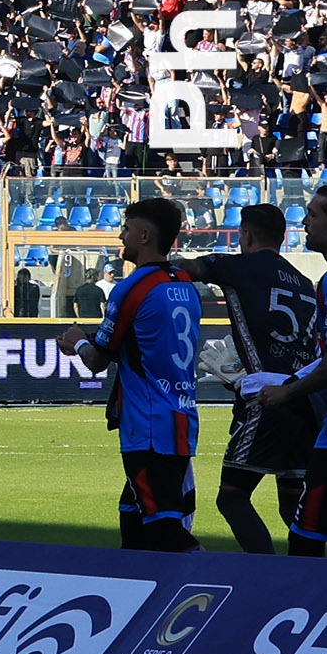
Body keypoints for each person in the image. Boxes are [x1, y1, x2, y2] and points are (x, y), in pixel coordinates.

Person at [177, 201, 321, 555]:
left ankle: (264, 573)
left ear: (246, 235)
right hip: (305, 397)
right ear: (282, 237)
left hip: (269, 397)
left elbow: (187, 268)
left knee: (232, 496)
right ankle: (307, 577)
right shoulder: (306, 283)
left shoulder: (238, 266)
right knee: (293, 503)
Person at [77, 193, 202, 552]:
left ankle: (221, 581)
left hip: (148, 426)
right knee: (133, 523)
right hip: (180, 417)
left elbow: (97, 359)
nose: (121, 235)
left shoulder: (133, 287)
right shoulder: (184, 283)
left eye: (127, 228)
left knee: (165, 530)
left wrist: (77, 342)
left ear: (145, 236)